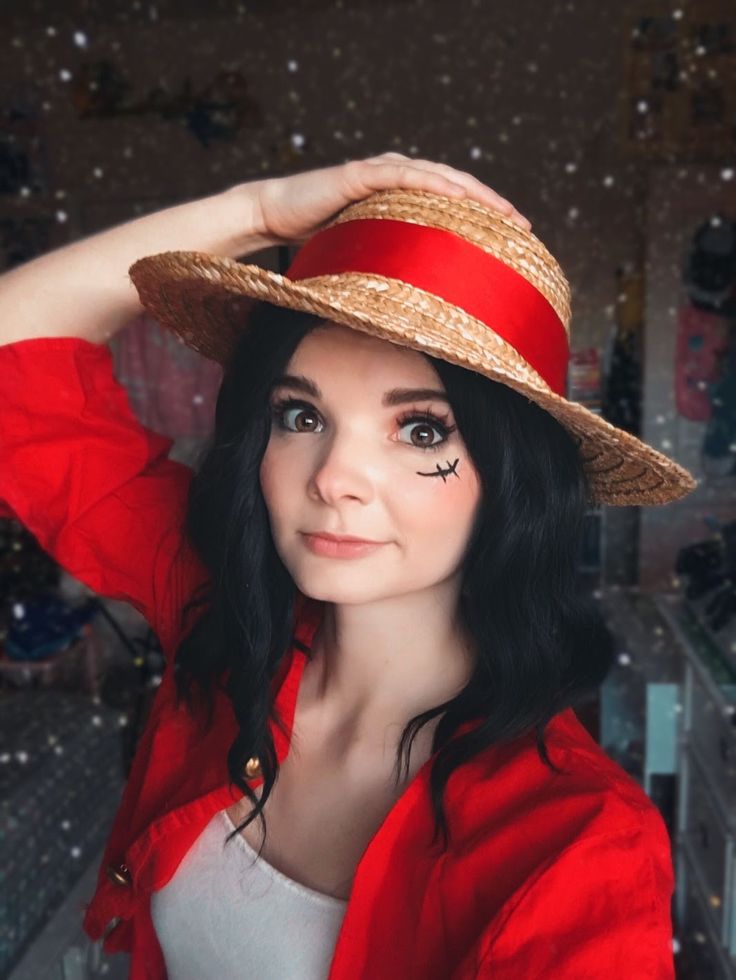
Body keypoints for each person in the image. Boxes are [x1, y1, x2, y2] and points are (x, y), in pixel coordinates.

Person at [0, 153, 695, 980]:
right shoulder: (222, 617)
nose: (332, 479)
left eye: (423, 431)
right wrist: (259, 210)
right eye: (300, 415)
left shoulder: (578, 843)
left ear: (514, 479)